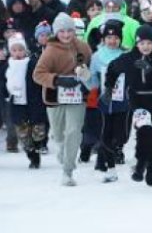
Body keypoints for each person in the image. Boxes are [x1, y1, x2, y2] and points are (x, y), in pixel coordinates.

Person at [103, 25, 152, 186]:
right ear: (137, 44)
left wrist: (151, 70)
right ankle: (141, 164)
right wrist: (109, 87)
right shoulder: (129, 58)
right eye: (142, 43)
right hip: (139, 101)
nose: (146, 47)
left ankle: (151, 166)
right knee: (144, 132)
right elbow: (112, 68)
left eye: (149, 43)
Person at [32, 12, 93, 186]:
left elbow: (90, 71)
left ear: (74, 31)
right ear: (55, 33)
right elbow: (37, 74)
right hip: (54, 97)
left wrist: (85, 75)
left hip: (77, 96)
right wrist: (57, 80)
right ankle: (59, 144)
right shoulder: (50, 51)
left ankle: (68, 171)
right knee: (59, 133)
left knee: (74, 131)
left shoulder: (83, 47)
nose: (66, 35)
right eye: (62, 31)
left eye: (69, 31)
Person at [86, 20, 129, 182]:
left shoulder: (126, 55)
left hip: (122, 102)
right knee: (106, 135)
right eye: (109, 38)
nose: (112, 41)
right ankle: (110, 168)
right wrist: (83, 76)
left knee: (121, 136)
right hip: (104, 102)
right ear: (103, 39)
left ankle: (103, 158)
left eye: (116, 38)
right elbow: (94, 83)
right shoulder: (97, 57)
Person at [1, 33, 46, 168]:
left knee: (38, 130)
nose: (18, 53)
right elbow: (3, 82)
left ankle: (37, 147)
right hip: (16, 103)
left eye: (20, 50)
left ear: (25, 50)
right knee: (23, 133)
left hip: (33, 102)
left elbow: (39, 79)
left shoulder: (32, 63)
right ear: (10, 51)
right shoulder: (7, 66)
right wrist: (5, 93)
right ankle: (31, 155)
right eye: (14, 50)